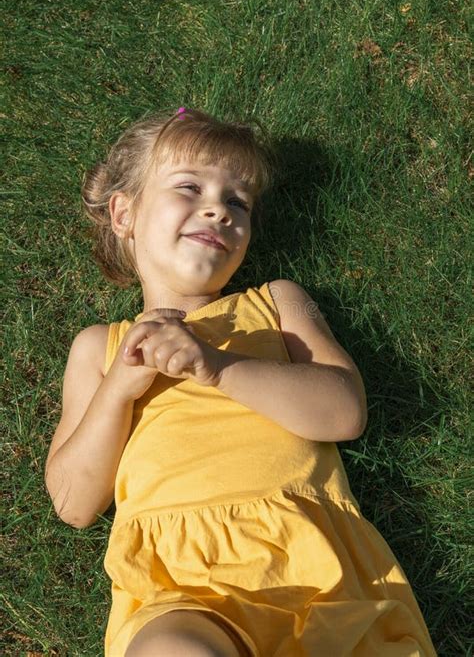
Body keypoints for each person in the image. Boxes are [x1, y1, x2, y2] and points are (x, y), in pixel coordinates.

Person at [44, 107, 437, 657]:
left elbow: (345, 411)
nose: (217, 209)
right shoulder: (101, 348)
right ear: (124, 213)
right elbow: (73, 502)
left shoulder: (275, 304)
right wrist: (119, 390)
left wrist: (214, 365)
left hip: (313, 570)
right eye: (190, 187)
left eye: (238, 202)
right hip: (180, 585)